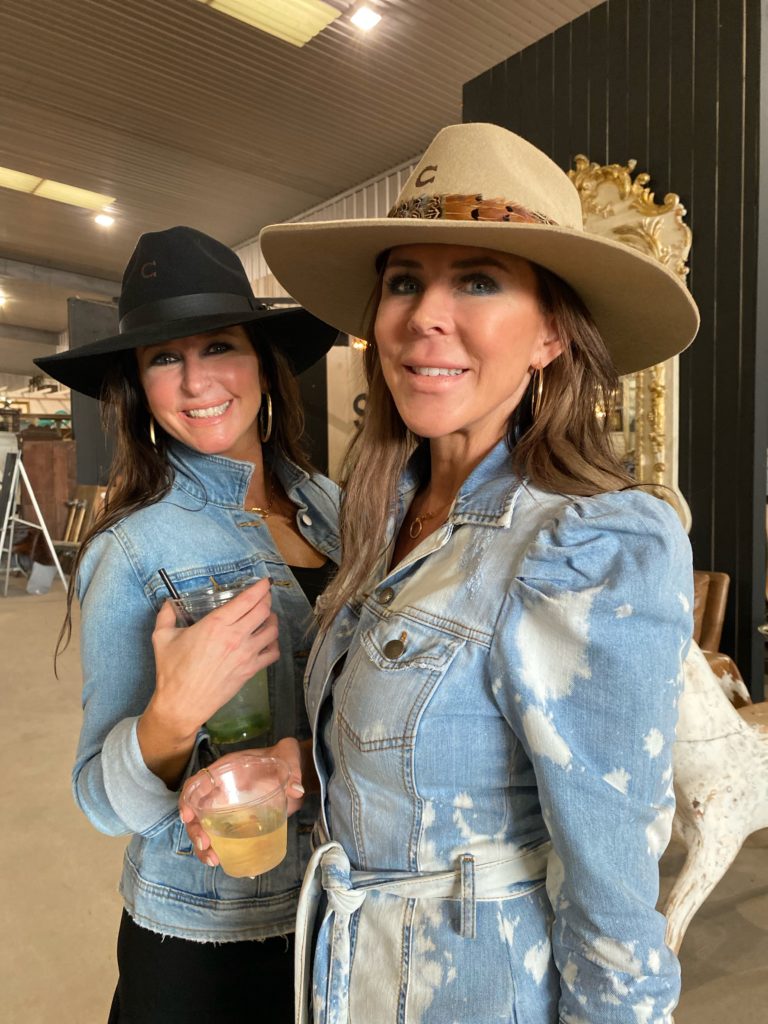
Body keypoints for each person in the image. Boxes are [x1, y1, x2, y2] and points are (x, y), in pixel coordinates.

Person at [253, 123, 700, 1023]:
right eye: (405, 279)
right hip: (349, 979)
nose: (425, 315)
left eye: (481, 280)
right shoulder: (382, 514)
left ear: (550, 338)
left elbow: (612, 898)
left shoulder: (589, 547)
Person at [35, 226, 341, 1024]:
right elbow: (103, 805)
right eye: (165, 358)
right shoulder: (134, 548)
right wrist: (172, 713)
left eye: (219, 346)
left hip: (340, 903)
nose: (196, 381)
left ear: (264, 363)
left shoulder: (331, 507)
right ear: (139, 383)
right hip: (206, 936)